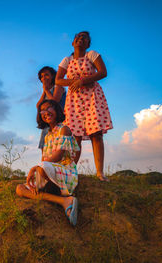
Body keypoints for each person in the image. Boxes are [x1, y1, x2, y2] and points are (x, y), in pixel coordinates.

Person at [55, 31, 113, 182]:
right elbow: (58, 80)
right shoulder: (67, 60)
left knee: (96, 134)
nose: (81, 39)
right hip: (74, 100)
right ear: (73, 42)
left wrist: (83, 81)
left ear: (88, 44)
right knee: (76, 136)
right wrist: (76, 82)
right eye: (78, 37)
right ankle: (71, 171)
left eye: (84, 38)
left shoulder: (91, 55)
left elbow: (103, 72)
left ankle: (100, 173)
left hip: (92, 97)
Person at [16, 100, 80, 226]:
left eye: (49, 108)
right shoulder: (47, 136)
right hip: (50, 171)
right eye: (42, 111)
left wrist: (35, 168)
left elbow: (58, 156)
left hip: (64, 170)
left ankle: (58, 194)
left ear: (56, 109)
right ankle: (64, 201)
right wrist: (38, 171)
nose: (45, 112)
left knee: (42, 168)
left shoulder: (64, 129)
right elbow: (45, 159)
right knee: (20, 189)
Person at [36, 66, 66, 152]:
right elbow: (38, 106)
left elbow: (55, 102)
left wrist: (46, 90)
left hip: (58, 121)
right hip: (47, 122)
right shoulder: (46, 91)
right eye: (42, 76)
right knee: (44, 146)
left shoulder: (58, 86)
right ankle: (45, 164)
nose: (44, 78)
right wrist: (44, 91)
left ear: (53, 76)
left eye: (46, 75)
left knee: (57, 146)